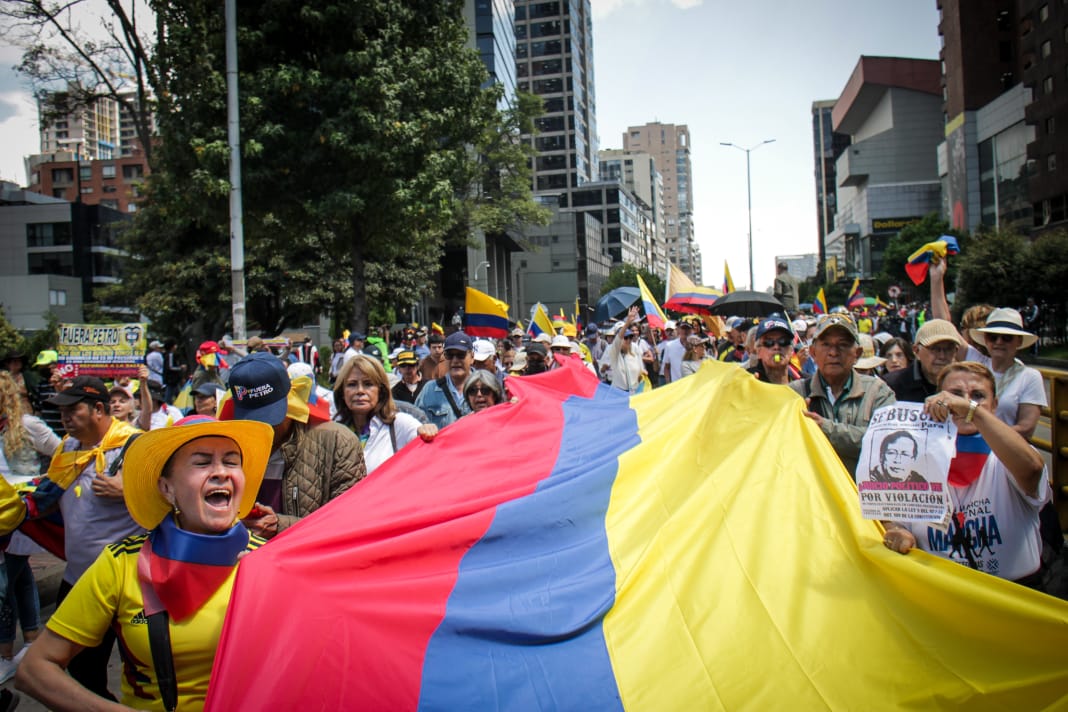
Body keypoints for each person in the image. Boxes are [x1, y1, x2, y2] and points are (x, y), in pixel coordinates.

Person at [16, 414, 273, 710]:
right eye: (202, 462)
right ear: (167, 488)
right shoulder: (121, 564)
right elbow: (34, 670)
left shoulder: (269, 560)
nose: (220, 473)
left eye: (230, 462)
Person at [21, 376, 140, 699]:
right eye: (62, 412)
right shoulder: (69, 447)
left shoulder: (134, 445)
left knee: (141, 669)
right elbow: (45, 497)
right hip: (78, 579)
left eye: (73, 410)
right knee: (81, 670)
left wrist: (129, 491)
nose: (65, 419)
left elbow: (168, 498)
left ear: (99, 409)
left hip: (129, 583)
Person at [882, 362, 1048, 586]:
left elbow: (1032, 469)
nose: (964, 402)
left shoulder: (1007, 454)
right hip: (948, 596)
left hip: (1015, 596)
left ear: (994, 406)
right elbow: (896, 520)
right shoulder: (914, 462)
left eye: (978, 396)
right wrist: (898, 532)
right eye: (955, 394)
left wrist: (973, 411)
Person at [222, 352, 365, 539]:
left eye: (270, 417)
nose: (264, 428)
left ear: (289, 401)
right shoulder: (227, 445)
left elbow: (349, 523)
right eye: (253, 421)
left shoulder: (337, 442)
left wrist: (280, 526)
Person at [0, 373, 61, 683]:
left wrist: (39, 489)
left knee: (5, 582)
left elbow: (62, 452)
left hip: (21, 513)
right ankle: (33, 639)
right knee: (20, 578)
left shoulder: (27, 425)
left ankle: (6, 653)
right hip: (5, 512)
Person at [790, 314, 896, 475]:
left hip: (861, 496)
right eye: (826, 345)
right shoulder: (794, 394)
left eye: (843, 345)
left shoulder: (877, 392)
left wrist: (826, 429)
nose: (833, 352)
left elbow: (886, 443)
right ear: (812, 352)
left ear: (857, 353)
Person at [334, 354, 436, 474]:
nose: (360, 391)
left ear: (381, 391)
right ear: (342, 391)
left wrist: (428, 432)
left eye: (368, 384)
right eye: (352, 384)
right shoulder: (334, 432)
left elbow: (433, 458)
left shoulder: (400, 424)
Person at [882, 319, 961, 403]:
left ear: (956, 351)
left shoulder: (967, 384)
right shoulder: (891, 385)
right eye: (934, 349)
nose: (942, 356)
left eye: (949, 349)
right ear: (916, 351)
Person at [415, 332, 474, 428]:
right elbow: (415, 425)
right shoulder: (429, 390)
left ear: (472, 357)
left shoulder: (486, 388)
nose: (455, 360)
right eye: (449, 355)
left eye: (461, 355)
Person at [601, 307, 646, 394]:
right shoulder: (612, 350)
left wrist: (642, 375)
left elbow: (640, 370)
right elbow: (618, 339)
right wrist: (628, 322)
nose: (628, 340)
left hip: (635, 392)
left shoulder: (635, 348)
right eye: (625, 338)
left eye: (630, 337)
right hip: (618, 393)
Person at [747, 316, 798, 385]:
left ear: (791, 350)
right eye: (769, 342)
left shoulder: (804, 384)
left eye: (783, 341)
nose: (776, 347)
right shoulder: (748, 381)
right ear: (758, 351)